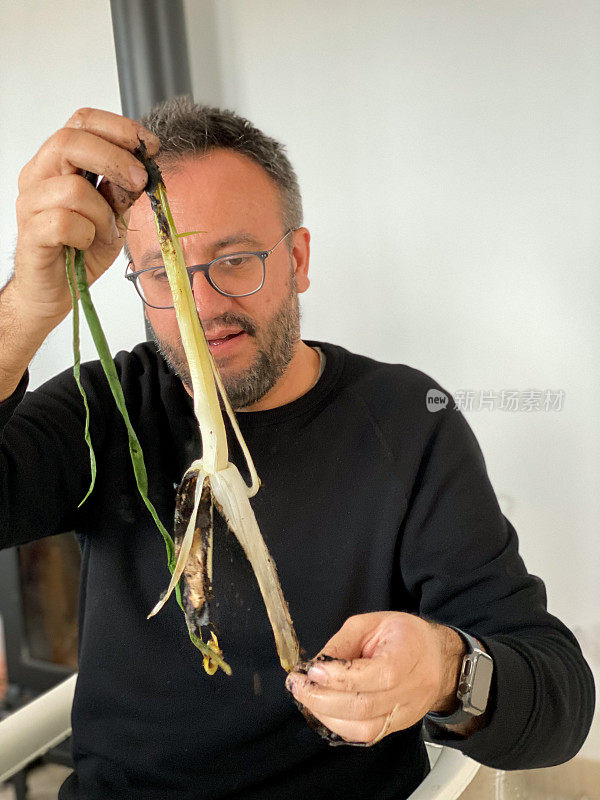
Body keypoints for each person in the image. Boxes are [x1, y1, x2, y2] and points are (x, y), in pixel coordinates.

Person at [0, 98, 594, 800]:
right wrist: (24, 312)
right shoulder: (110, 405)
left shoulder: (404, 421)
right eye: (164, 273)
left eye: (236, 259)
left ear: (299, 259)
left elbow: (559, 701)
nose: (203, 306)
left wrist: (443, 668)